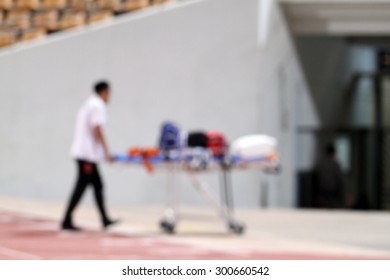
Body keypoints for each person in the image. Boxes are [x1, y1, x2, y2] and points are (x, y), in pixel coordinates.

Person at [61, 81, 118, 231]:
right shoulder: (97, 105)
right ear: (104, 92)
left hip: (85, 153)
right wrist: (107, 152)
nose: (109, 97)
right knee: (81, 186)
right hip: (87, 155)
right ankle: (66, 219)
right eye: (109, 93)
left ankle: (105, 219)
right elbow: (97, 128)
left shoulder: (88, 104)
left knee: (98, 186)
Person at [314, 144, 345, 209]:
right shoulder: (335, 165)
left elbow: (316, 179)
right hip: (331, 193)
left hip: (322, 192)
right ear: (333, 153)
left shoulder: (320, 164)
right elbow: (340, 181)